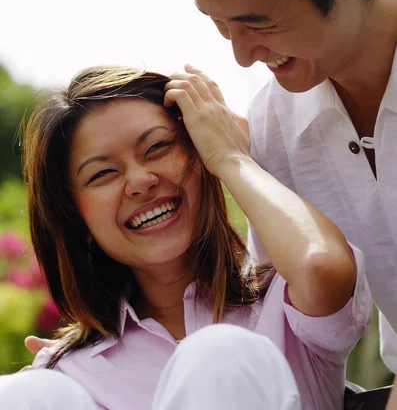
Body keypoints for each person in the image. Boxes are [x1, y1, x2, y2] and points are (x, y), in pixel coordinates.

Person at [154, 0, 397, 372]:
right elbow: (273, 321)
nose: (242, 55)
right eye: (219, 25)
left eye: (257, 24)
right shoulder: (274, 121)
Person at [0, 64, 371, 409]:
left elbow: (324, 268)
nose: (140, 181)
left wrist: (231, 157)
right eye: (103, 174)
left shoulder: (285, 304)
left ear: (200, 156)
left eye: (157, 147)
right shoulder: (70, 370)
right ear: (78, 221)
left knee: (218, 354)